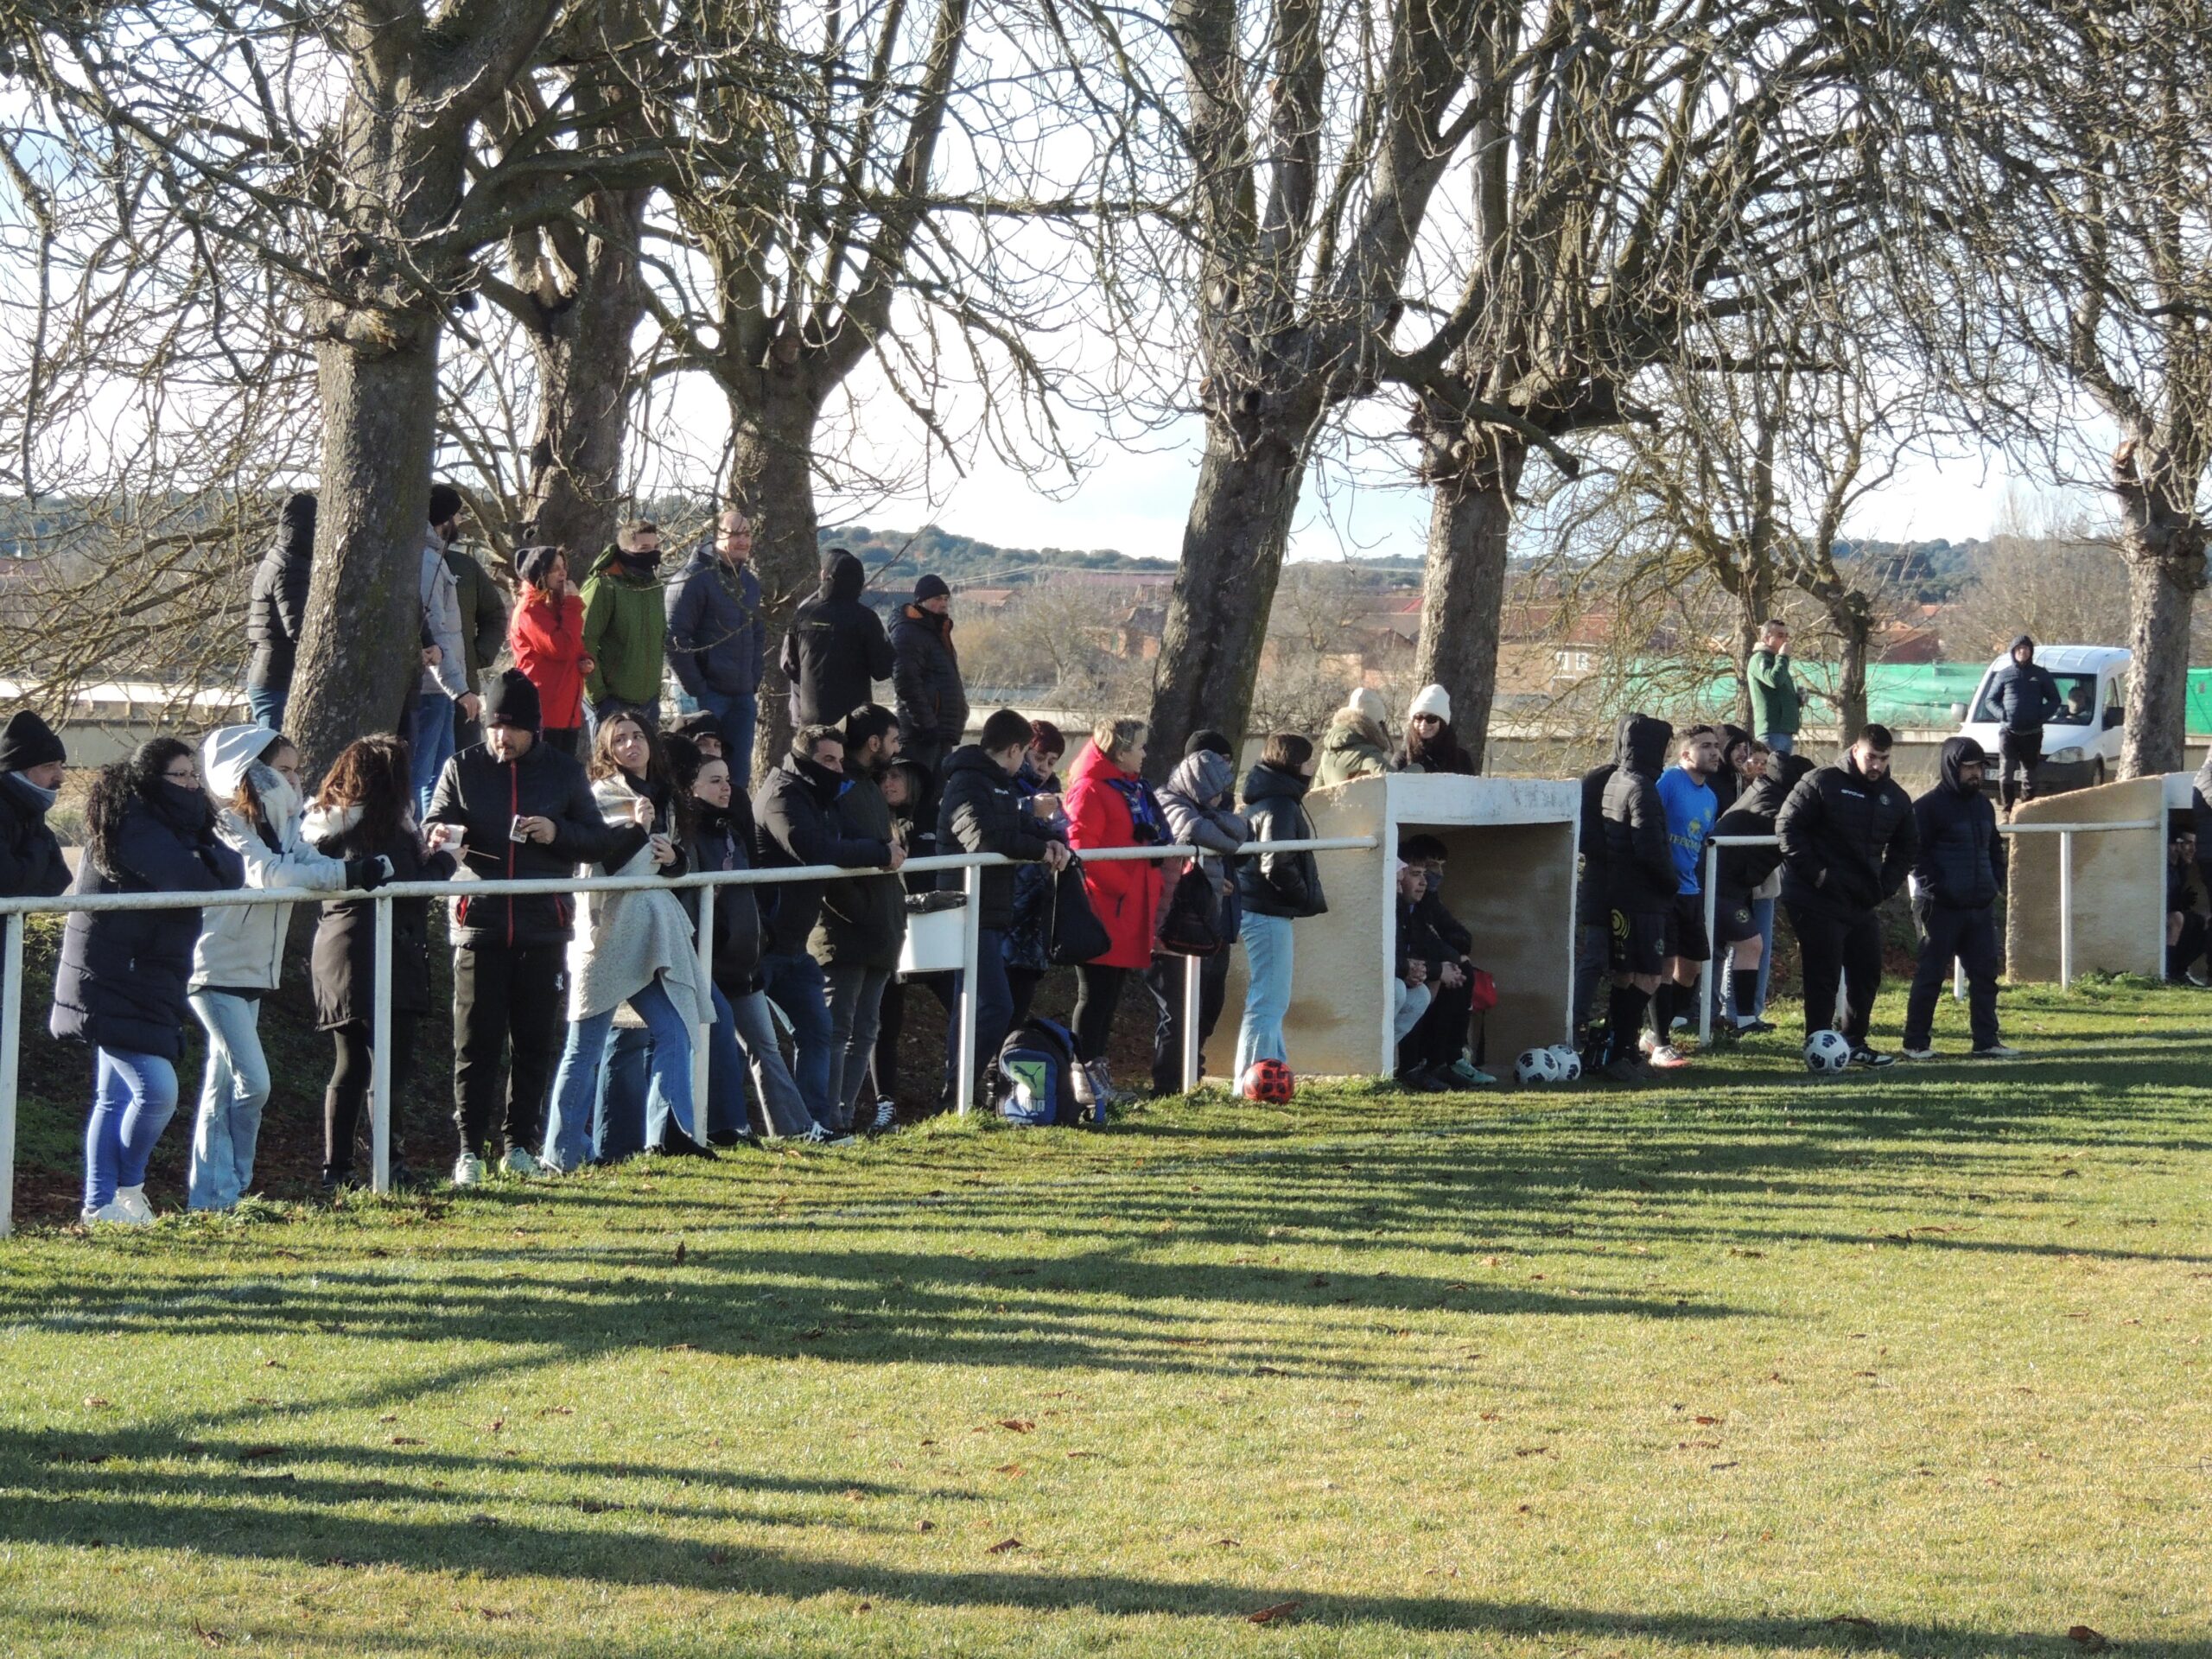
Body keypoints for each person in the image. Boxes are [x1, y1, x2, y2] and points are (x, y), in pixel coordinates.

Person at [426, 668, 635, 1185]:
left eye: (512, 728)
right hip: (479, 926)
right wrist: (442, 833)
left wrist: (555, 831)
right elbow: (434, 823)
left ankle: (519, 1144)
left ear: (533, 729)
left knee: (534, 1042)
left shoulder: (564, 773)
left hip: (545, 928)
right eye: (494, 727)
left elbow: (596, 840)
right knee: (475, 1044)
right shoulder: (461, 767)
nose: (501, 737)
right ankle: (469, 1151)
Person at [186, 726, 384, 1211]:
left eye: (297, 770)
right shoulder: (226, 824)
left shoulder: (282, 827)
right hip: (215, 968)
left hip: (252, 970)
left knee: (225, 1084)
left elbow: (306, 862)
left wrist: (358, 869)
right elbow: (269, 876)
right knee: (252, 1082)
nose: (296, 781)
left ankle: (219, 1196)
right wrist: (347, 875)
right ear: (248, 771)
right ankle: (224, 1189)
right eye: (284, 771)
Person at [51, 740, 245, 1224]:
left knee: (114, 1097)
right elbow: (192, 880)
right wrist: (202, 856)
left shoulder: (183, 824)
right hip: (111, 975)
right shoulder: (131, 822)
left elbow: (234, 871)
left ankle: (103, 1204)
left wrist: (203, 849)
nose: (193, 786)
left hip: (150, 975)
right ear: (151, 781)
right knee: (156, 1091)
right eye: (181, 777)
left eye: (194, 776)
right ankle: (122, 1192)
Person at [541, 713, 714, 1171]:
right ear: (607, 750)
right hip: (610, 933)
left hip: (655, 930)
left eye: (638, 736)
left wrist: (675, 858)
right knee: (585, 1046)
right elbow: (602, 861)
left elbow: (676, 867)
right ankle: (560, 1153)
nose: (632, 745)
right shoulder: (600, 797)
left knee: (676, 1029)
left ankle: (670, 1134)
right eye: (620, 739)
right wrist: (637, 829)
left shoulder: (666, 798)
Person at [303, 736, 454, 1191]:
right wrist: (446, 861)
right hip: (382, 952)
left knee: (349, 1064)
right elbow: (409, 888)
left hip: (336, 953)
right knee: (388, 1068)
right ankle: (388, 1168)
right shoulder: (384, 828)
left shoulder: (328, 826)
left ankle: (338, 1169)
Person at [753, 722, 903, 1130]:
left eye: (839, 760)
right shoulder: (782, 796)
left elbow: (839, 842)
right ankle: (750, 1126)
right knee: (757, 1044)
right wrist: (879, 852)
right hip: (760, 947)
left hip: (793, 948)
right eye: (827, 760)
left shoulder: (819, 795)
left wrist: (883, 850)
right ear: (803, 758)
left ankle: (817, 1125)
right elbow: (814, 849)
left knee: (819, 1033)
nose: (836, 768)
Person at [684, 747, 823, 1143]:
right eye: (715, 781)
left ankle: (794, 1130)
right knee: (717, 1049)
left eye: (728, 779)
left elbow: (748, 891)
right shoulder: (691, 837)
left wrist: (763, 933)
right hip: (709, 963)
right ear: (691, 787)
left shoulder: (731, 829)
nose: (726, 788)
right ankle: (718, 1130)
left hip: (744, 963)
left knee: (767, 1046)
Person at [938, 708, 1073, 1103]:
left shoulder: (997, 786)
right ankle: (957, 1095)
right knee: (995, 1007)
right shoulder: (969, 783)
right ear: (1015, 749)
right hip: (967, 909)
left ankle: (959, 1095)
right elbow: (981, 838)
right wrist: (1039, 850)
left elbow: (1015, 825)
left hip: (989, 911)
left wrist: (1051, 842)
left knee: (977, 1008)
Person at [1777, 722, 1918, 1066]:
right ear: (1856, 750)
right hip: (1815, 895)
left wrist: (1885, 886)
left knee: (1867, 970)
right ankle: (1818, 1044)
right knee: (1823, 972)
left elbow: (1908, 847)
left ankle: (1854, 1041)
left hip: (1861, 898)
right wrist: (1818, 874)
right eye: (1871, 757)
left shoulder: (1895, 798)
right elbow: (1787, 826)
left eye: (1883, 759)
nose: (1877, 766)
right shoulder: (1822, 782)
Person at [810, 705, 910, 1133]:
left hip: (880, 930)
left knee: (865, 1028)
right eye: (892, 740)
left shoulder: (869, 787)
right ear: (874, 743)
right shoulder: (839, 788)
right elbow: (830, 859)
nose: (896, 749)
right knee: (837, 1028)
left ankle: (844, 1118)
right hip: (844, 932)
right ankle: (825, 1120)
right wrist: (861, 911)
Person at [1064, 717, 1172, 1101]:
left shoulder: (1132, 788)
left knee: (1107, 997)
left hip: (1127, 908)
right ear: (1121, 751)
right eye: (1140, 746)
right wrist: (1125, 887)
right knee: (1094, 995)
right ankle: (1083, 1079)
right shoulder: (1090, 789)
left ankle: (1095, 1073)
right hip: (1104, 909)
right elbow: (1082, 849)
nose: (1145, 754)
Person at [1901, 735, 2018, 1060]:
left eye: (1980, 767)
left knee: (1985, 976)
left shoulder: (1983, 806)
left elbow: (1993, 846)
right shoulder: (1926, 807)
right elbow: (1914, 854)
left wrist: (1993, 881)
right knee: (1930, 976)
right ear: (1953, 767)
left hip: (1978, 906)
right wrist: (1936, 888)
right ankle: (1916, 1043)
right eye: (1969, 767)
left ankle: (1986, 1040)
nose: (1976, 774)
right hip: (1938, 908)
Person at [1147, 733, 1249, 1094]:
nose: (1222, 798)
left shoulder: (1207, 805)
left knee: (1209, 1001)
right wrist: (1219, 844)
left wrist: (1221, 828)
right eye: (1216, 789)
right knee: (1177, 1009)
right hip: (1173, 923)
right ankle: (1169, 1085)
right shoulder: (1168, 801)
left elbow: (1239, 832)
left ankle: (1193, 1069)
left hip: (1211, 922)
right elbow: (1194, 830)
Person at [1234, 732, 1326, 1082]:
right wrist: (1303, 895)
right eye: (1307, 759)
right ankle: (1252, 1080)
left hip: (1262, 908)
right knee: (1268, 1001)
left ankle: (1275, 1073)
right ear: (1294, 763)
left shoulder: (1267, 800)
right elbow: (1276, 863)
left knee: (1272, 1000)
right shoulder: (1281, 805)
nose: (1312, 766)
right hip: (1267, 911)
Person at [1709, 747, 1811, 1039]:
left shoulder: (1768, 790)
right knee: (1747, 946)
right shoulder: (1771, 799)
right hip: (1720, 883)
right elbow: (1788, 830)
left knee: (1735, 949)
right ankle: (1690, 1021)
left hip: (1731, 884)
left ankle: (1734, 1019)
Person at [1598, 714, 1675, 1080]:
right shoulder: (1643, 787)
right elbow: (1649, 847)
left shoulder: (1616, 779)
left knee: (1624, 974)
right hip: (1644, 897)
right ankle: (1622, 1053)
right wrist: (1670, 881)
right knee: (1648, 975)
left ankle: (1618, 1050)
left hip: (1618, 893)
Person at [666, 508, 767, 782]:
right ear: (715, 535)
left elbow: (758, 633)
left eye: (746, 534)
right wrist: (698, 687)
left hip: (742, 697)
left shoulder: (749, 582)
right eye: (734, 534)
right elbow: (675, 638)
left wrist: (753, 679)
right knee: (698, 776)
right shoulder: (693, 579)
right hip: (705, 696)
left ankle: (735, 826)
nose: (743, 541)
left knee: (737, 779)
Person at [1644, 725, 1720, 1068]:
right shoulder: (1669, 782)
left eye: (1716, 747)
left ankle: (1653, 1032)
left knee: (1690, 969)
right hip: (1663, 891)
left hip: (1691, 891)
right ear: (1685, 754)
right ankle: (1662, 1046)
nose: (1714, 752)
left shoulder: (1711, 797)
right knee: (1664, 965)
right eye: (1705, 746)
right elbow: (1648, 825)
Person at [1395, 835, 1492, 1088]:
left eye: (1440, 867)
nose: (1429, 879)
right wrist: (1439, 966)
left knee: (1462, 971)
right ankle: (1411, 1065)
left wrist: (1447, 961)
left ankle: (1445, 1061)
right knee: (1422, 985)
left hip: (1413, 968)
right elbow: (1409, 947)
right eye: (1425, 870)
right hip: (1401, 972)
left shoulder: (1426, 899)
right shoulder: (1397, 903)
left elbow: (1458, 935)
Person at [412, 484, 480, 817]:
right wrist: (460, 687)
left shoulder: (431, 558)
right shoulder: (428, 563)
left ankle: (432, 840)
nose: (461, 522)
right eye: (457, 515)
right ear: (444, 519)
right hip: (432, 687)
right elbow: (435, 628)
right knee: (420, 774)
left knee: (441, 777)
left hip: (438, 689)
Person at [782, 548, 896, 728]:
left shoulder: (804, 614)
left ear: (824, 576)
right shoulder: (865, 618)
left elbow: (789, 665)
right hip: (854, 720)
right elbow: (883, 670)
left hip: (811, 718)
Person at [1001, 721, 1068, 1027]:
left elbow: (1066, 834)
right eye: (1039, 758)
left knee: (1020, 1004)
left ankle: (1003, 1068)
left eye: (1051, 762)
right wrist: (1030, 808)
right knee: (996, 1006)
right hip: (1005, 911)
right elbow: (995, 817)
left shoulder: (1053, 792)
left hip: (1035, 916)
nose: (1043, 769)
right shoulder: (1006, 783)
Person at [1572, 716, 1633, 1048]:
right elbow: (1585, 836)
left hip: (1633, 885)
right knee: (1596, 956)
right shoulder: (1597, 780)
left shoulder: (1647, 780)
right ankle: (1578, 1021)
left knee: (1629, 959)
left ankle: (1619, 1025)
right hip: (1601, 881)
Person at [582, 521, 668, 734]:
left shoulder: (654, 586)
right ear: (626, 550)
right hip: (611, 702)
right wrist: (598, 697)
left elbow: (659, 639)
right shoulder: (604, 586)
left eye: (655, 547)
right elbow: (584, 639)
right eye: (644, 549)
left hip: (649, 702)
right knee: (608, 765)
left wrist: (655, 691)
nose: (653, 555)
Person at [509, 545, 592, 758]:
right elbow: (561, 648)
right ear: (539, 572)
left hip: (567, 711)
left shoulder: (555, 606)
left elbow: (574, 646)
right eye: (555, 569)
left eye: (564, 567)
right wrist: (573, 605)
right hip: (545, 712)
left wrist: (584, 660)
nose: (563, 573)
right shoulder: (530, 609)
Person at [245, 492, 315, 730]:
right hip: (277, 678)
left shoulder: (276, 556)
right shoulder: (291, 566)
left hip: (266, 672)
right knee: (273, 758)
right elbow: (299, 627)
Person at [890, 574, 969, 779]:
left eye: (945, 599)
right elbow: (905, 681)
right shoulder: (908, 632)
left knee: (936, 797)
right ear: (921, 601)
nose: (943, 604)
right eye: (937, 599)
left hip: (941, 730)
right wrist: (927, 725)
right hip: (921, 735)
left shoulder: (937, 632)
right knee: (919, 794)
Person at [1986, 634, 2064, 813]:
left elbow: (2054, 700)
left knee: (2029, 773)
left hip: (2033, 732)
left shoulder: (2040, 674)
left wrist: (2040, 715)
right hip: (2009, 732)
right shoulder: (2004, 675)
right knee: (2006, 772)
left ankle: (2026, 810)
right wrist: (2002, 714)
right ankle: (2007, 810)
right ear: (2013, 652)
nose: (2023, 652)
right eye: (2019, 649)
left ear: (2031, 652)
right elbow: (1990, 700)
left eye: (2026, 649)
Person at [448, 534, 508, 750]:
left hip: (463, 691)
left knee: (463, 768)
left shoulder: (465, 567)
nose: (459, 518)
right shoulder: (402, 561)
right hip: (413, 695)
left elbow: (495, 615)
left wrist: (478, 655)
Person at [1390, 861, 1436, 1079]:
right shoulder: (1382, 907)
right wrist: (1406, 968)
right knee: (1397, 989)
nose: (1399, 890)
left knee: (1420, 995)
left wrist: (1419, 968)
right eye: (1397, 883)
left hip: (1398, 973)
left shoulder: (1403, 909)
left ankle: (1385, 1058)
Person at [1315, 687, 1393, 786]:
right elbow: (1394, 779)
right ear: (1376, 725)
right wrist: (1417, 767)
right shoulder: (1367, 752)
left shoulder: (1327, 753)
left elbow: (1316, 793)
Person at [1746, 620, 1800, 754]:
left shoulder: (1778, 662)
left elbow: (1778, 695)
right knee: (1772, 772)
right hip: (1771, 731)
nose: (1786, 640)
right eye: (1781, 636)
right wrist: (1783, 657)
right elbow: (1773, 680)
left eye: (1787, 636)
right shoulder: (1760, 658)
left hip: (1785, 731)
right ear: (1766, 638)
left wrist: (1797, 699)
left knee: (1782, 773)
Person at [2165, 823, 2208, 985]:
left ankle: (2180, 970)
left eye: (2195, 844)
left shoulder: (2180, 868)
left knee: (2205, 921)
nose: (2193, 849)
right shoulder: (2165, 867)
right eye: (2188, 843)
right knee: (2177, 918)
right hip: (2152, 917)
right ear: (2175, 845)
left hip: (2171, 916)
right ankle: (2168, 970)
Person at [1399, 685, 1477, 773]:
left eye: (1431, 718)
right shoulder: (1402, 758)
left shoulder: (1462, 758)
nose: (1423, 724)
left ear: (1443, 723)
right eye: (1418, 718)